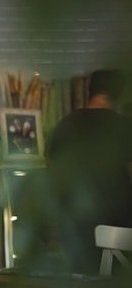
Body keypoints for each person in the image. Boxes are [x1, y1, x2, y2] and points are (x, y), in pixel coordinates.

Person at [46, 69, 132, 274]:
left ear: (89, 91)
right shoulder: (125, 127)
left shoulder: (65, 126)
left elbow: (51, 180)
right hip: (119, 235)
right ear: (118, 95)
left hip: (75, 234)